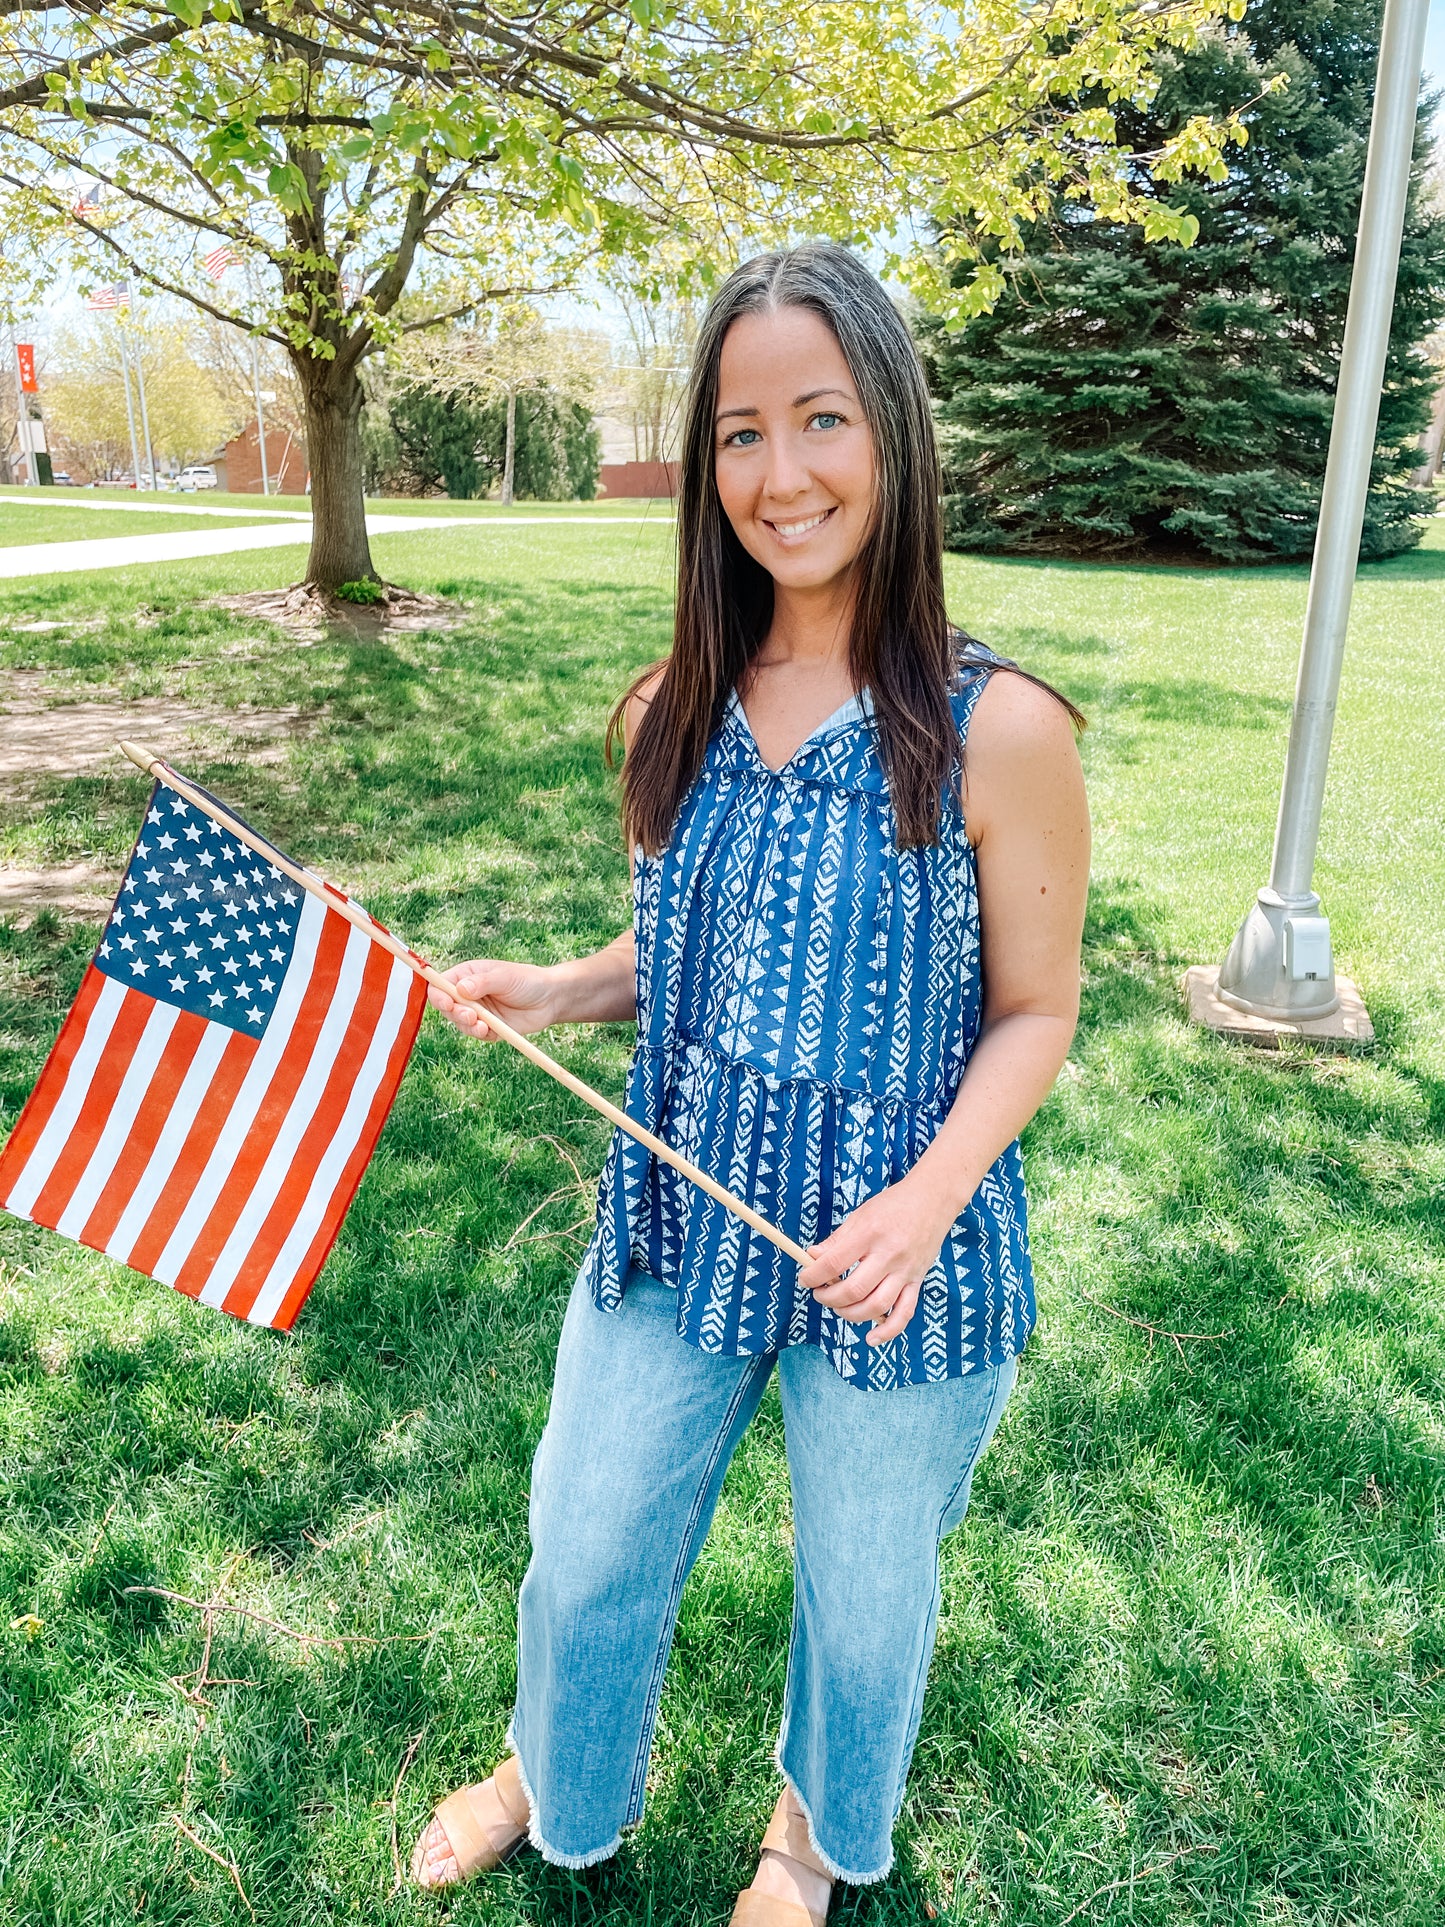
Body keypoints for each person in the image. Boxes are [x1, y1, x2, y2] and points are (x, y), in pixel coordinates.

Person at [411, 243, 1090, 1923]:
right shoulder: (671, 705)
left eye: (819, 421)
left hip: (896, 1254)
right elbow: (693, 952)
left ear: (893, 437)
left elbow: (1034, 1011)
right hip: (680, 1203)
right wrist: (556, 988)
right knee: (582, 1549)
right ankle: (547, 1768)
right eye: (735, 433)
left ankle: (805, 1832)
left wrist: (924, 1203)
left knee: (863, 1608)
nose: (778, 476)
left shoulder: (997, 729)